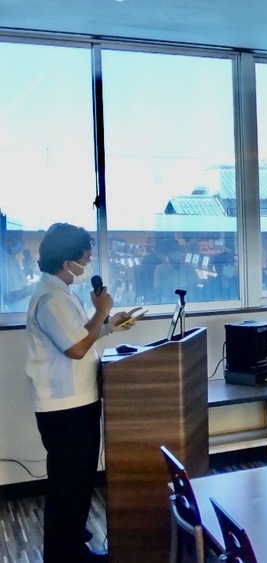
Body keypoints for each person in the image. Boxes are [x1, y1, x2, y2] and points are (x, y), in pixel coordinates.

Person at [24, 223, 140, 563]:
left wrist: (107, 325)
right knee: (69, 484)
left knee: (77, 481)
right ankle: (65, 554)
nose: (87, 265)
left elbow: (80, 335)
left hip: (77, 401)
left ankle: (73, 544)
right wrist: (101, 310)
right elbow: (75, 348)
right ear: (67, 261)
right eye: (85, 259)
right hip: (65, 407)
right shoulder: (51, 298)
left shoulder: (60, 292)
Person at [153, 238, 200, 304]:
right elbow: (157, 289)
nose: (176, 253)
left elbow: (195, 284)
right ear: (167, 253)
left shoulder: (189, 267)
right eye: (172, 251)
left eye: (177, 250)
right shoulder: (160, 269)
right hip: (167, 302)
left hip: (187, 301)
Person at [3, 228, 35, 312]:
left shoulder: (10, 259)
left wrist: (27, 271)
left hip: (21, 314)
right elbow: (5, 298)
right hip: (10, 316)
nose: (21, 241)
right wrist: (29, 290)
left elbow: (15, 282)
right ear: (7, 236)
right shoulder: (3, 261)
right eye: (18, 237)